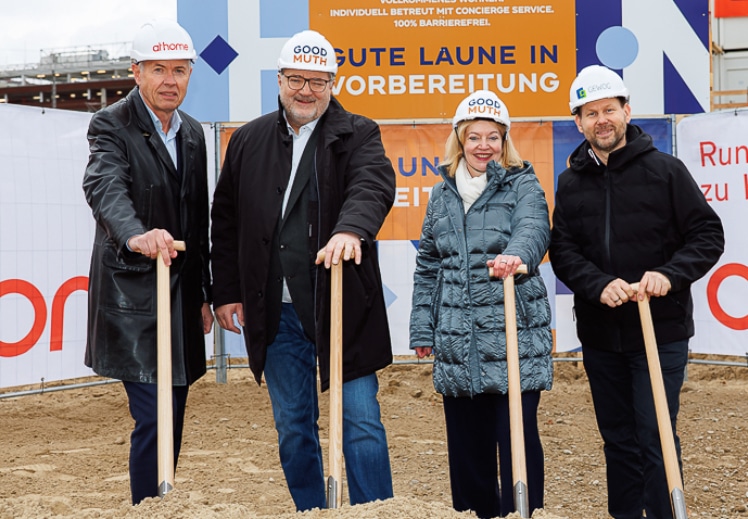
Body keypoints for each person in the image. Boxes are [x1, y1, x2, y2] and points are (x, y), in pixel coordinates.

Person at [210, 29, 395, 511]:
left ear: (333, 83)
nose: (306, 90)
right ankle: (312, 509)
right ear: (279, 80)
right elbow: (225, 220)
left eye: (318, 81)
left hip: (342, 305)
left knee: (360, 421)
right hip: (277, 312)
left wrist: (350, 230)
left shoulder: (359, 133)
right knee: (293, 426)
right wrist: (226, 291)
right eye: (296, 79)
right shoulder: (247, 140)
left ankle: (378, 511)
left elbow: (372, 186)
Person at [549, 65, 725, 519]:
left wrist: (669, 274)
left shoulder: (666, 171)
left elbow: (707, 235)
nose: (601, 120)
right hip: (601, 335)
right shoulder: (570, 183)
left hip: (660, 330)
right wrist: (597, 285)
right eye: (591, 113)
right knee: (618, 439)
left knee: (655, 433)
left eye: (609, 109)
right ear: (578, 123)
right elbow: (563, 251)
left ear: (627, 112)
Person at [81, 20, 214, 504]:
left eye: (180, 70)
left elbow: (196, 221)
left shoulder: (193, 133)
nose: (169, 80)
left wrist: (204, 294)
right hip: (132, 298)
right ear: (136, 72)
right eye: (158, 69)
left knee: (172, 411)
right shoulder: (110, 124)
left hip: (180, 300)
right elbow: (104, 187)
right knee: (155, 413)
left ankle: (159, 502)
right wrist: (135, 234)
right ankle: (148, 507)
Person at [410, 90, 553, 519]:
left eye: (493, 136)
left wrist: (517, 255)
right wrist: (422, 328)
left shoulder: (523, 183)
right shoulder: (441, 194)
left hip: (512, 335)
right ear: (460, 139)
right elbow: (428, 265)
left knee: (517, 441)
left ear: (505, 140)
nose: (483, 146)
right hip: (457, 340)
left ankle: (523, 513)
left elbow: (534, 227)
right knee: (467, 449)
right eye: (474, 137)